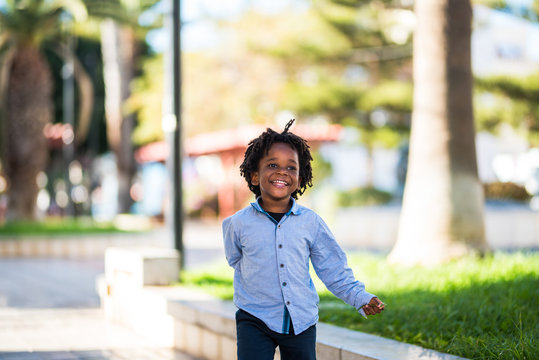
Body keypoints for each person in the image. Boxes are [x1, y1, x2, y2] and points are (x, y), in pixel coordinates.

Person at [222, 119, 384, 360]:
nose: (282, 172)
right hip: (254, 318)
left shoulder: (311, 223)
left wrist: (360, 298)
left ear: (299, 178)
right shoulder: (237, 223)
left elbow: (333, 269)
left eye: (291, 167)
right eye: (272, 164)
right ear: (255, 176)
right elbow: (235, 259)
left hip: (301, 320)